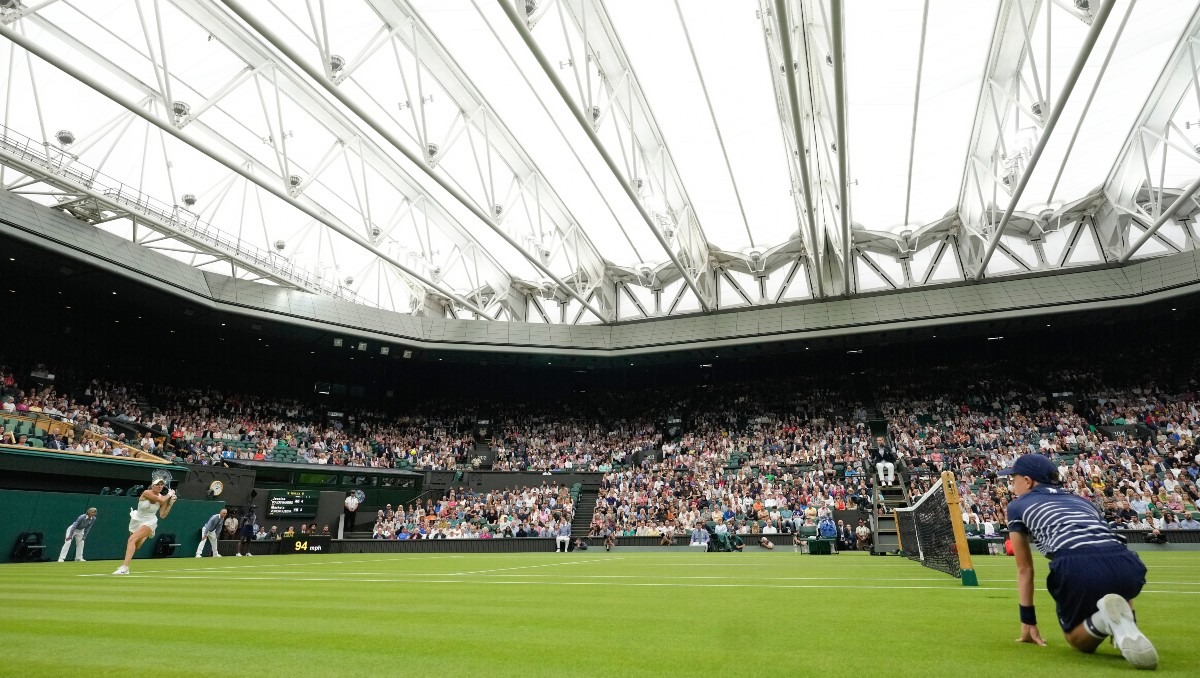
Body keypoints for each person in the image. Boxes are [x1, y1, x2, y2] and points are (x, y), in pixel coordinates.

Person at [1001, 454, 1157, 670]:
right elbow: (1108, 540)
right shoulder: (1083, 501)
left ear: (1027, 481)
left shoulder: (1017, 506)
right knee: (1116, 575)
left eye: (1013, 479)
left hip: (1075, 563)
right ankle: (1127, 625)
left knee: (1077, 640)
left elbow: (1024, 568)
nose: (1012, 485)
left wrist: (1028, 621)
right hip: (1126, 562)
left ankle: (1105, 620)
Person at [113, 478, 176, 575]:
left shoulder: (163, 498)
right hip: (136, 520)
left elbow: (162, 515)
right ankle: (144, 535)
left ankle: (125, 567)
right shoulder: (147, 492)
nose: (159, 486)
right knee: (136, 546)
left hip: (150, 521)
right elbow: (161, 499)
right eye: (157, 484)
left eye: (161, 485)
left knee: (131, 540)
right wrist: (169, 494)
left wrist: (170, 504)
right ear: (152, 486)